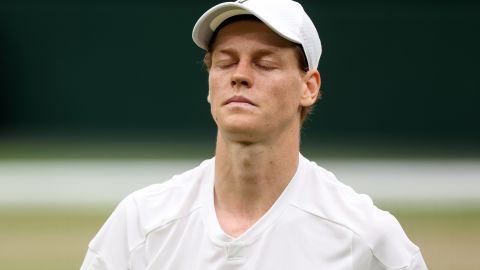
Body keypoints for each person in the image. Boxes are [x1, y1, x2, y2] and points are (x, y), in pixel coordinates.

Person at [80, 0, 428, 269]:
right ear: (210, 84)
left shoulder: (364, 237)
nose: (240, 75)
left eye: (265, 63)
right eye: (225, 62)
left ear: (309, 87)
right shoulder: (142, 224)